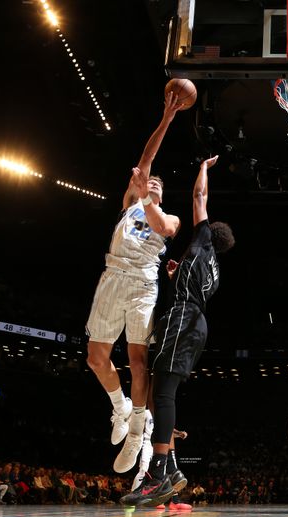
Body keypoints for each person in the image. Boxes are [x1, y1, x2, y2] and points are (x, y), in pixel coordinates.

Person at [121, 155, 235, 507]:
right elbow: (193, 288)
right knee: (162, 389)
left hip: (183, 318)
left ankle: (158, 474)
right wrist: (177, 275)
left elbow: (199, 198)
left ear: (210, 233)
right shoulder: (213, 268)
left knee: (163, 390)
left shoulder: (203, 239)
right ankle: (169, 469)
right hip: (196, 321)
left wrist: (202, 167)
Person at [85, 93, 185, 473]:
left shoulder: (168, 218)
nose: (151, 180)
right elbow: (146, 158)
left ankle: (138, 429)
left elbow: (161, 225)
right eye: (148, 179)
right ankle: (120, 409)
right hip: (112, 276)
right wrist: (167, 117)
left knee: (138, 361)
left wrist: (151, 200)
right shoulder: (130, 201)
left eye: (157, 182)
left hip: (143, 284)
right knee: (96, 357)